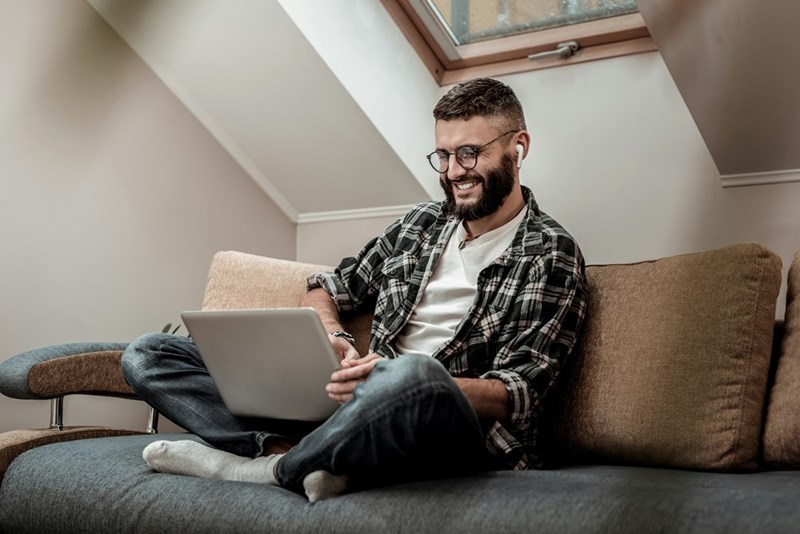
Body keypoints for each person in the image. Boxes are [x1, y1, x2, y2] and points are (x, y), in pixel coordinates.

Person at [121, 77, 588, 503]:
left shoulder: (550, 253)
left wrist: (394, 380)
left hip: (453, 431)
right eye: (442, 156)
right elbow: (327, 287)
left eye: (469, 153)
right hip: (356, 406)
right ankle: (306, 454)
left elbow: (518, 393)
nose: (452, 172)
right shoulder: (420, 225)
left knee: (416, 374)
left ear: (518, 148)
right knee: (148, 354)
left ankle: (264, 470)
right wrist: (335, 339)